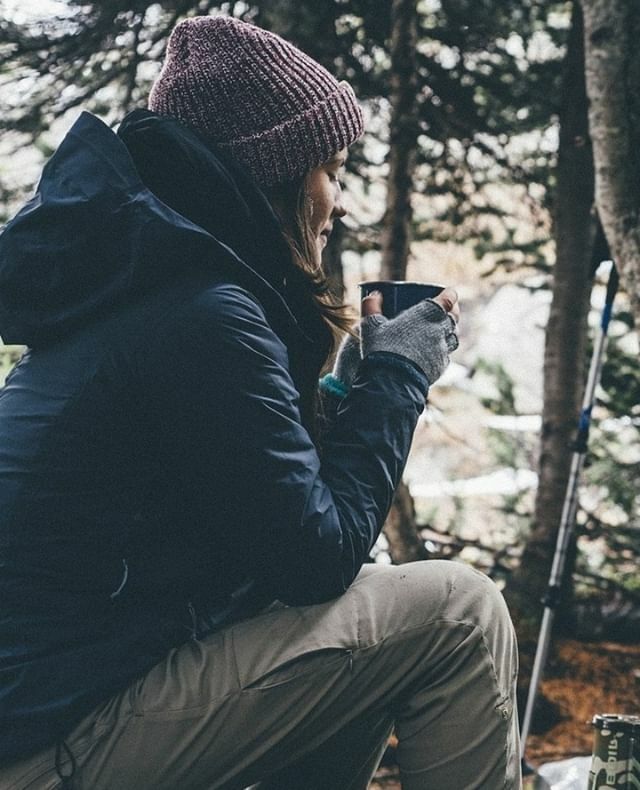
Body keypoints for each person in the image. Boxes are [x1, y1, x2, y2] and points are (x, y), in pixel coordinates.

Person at [0, 15, 520, 790]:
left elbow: (269, 531)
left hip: (47, 709)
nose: (338, 201)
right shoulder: (203, 313)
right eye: (330, 170)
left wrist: (342, 394)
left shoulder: (141, 291)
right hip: (54, 743)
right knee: (459, 613)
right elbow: (315, 561)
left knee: (367, 628)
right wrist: (398, 378)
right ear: (273, 175)